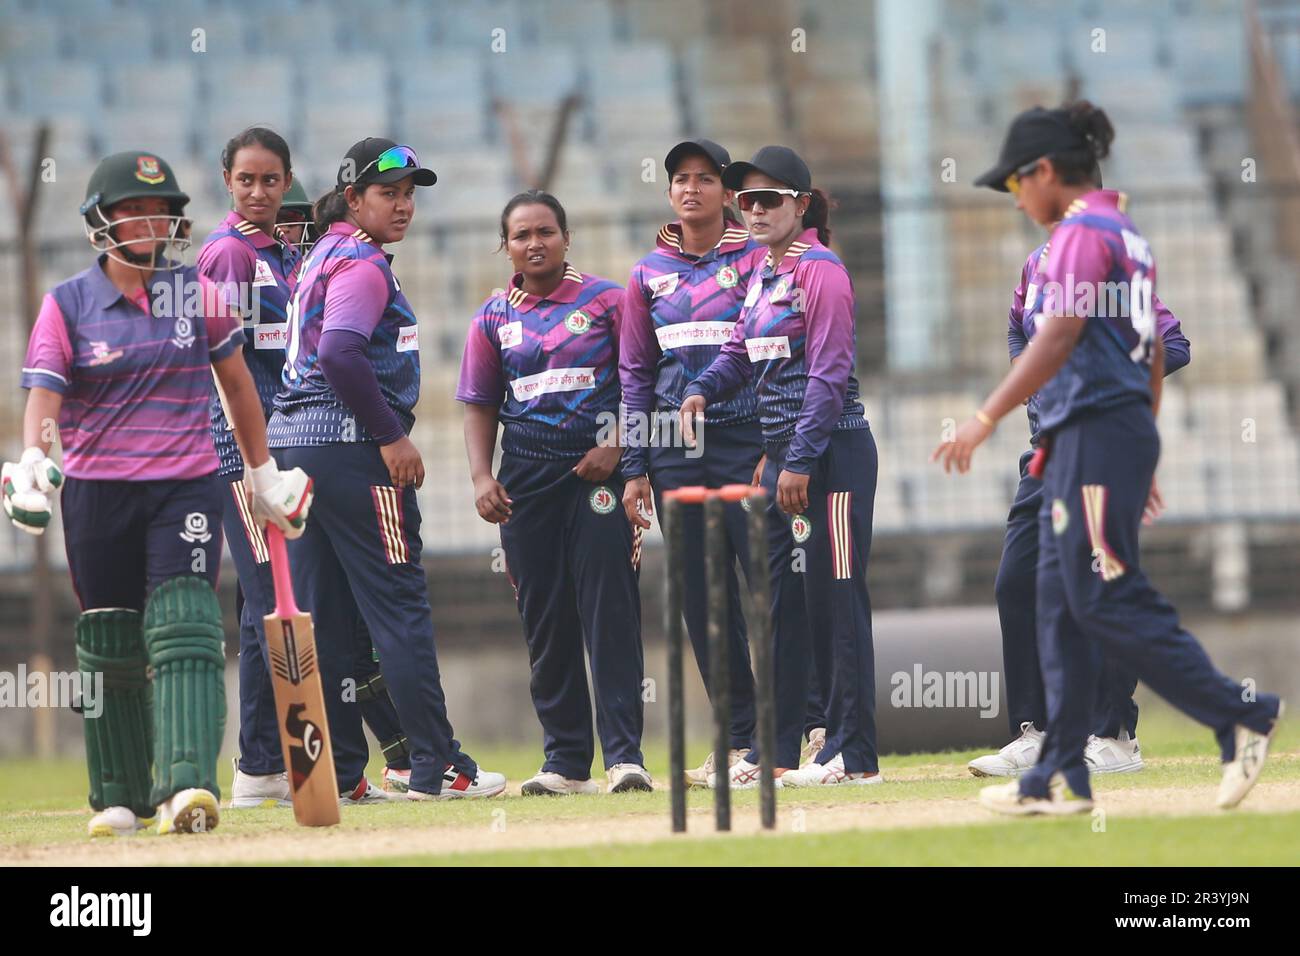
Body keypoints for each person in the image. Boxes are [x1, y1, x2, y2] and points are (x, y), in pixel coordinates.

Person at [936, 102, 1285, 815]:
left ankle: (1237, 714)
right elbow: (1151, 350)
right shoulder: (1122, 233)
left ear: (1044, 172)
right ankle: (1055, 776)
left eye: (1014, 184)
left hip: (1094, 435)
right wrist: (1141, 440)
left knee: (1105, 598)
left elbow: (1059, 335)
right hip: (1092, 438)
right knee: (1058, 604)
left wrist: (984, 417)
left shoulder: (1079, 237)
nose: (1016, 199)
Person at [3, 150, 313, 836]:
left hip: (184, 486)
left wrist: (261, 475)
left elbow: (238, 388)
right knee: (110, 637)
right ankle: (119, 793)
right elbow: (45, 397)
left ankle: (187, 787)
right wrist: (31, 456)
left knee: (184, 626)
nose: (150, 221)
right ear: (100, 222)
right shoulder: (68, 304)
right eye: (133, 210)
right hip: (96, 491)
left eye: (160, 209)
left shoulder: (196, 294)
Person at [268, 137, 505, 801]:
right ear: (353, 199)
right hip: (350, 453)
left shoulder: (319, 255)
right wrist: (391, 435)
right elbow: (343, 352)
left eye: (408, 194)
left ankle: (339, 775)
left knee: (325, 619)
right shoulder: (365, 264)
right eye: (387, 194)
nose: (403, 206)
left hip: (296, 456)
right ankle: (435, 768)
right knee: (399, 608)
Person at [201, 129, 413, 807]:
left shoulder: (291, 254)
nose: (262, 194)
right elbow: (217, 363)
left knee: (271, 605)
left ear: (290, 180)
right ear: (227, 182)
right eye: (248, 181)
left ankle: (262, 764)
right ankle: (298, 770)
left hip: (285, 447)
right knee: (278, 604)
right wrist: (254, 456)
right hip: (244, 453)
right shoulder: (228, 254)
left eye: (273, 183)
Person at [970, 176, 1192, 778]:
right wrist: (1034, 372)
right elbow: (1020, 327)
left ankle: (1114, 734)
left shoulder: (1111, 261)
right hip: (1046, 455)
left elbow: (1172, 342)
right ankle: (1037, 731)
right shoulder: (1036, 265)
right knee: (1016, 584)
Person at [681, 146, 880, 788]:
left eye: (770, 198)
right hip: (783, 464)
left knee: (837, 598)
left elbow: (828, 375)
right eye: (748, 200)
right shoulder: (764, 275)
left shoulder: (821, 270)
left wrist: (798, 461)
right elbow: (741, 350)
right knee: (783, 605)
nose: (757, 209)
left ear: (800, 202)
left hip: (833, 458)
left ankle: (854, 755)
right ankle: (780, 751)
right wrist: (702, 388)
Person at [458, 189, 651, 795]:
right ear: (506, 246)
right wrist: (483, 477)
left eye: (545, 231)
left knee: (608, 612)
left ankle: (624, 758)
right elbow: (479, 403)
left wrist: (618, 446)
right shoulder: (492, 318)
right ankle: (566, 762)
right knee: (546, 621)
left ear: (567, 239)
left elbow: (643, 382)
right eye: (521, 235)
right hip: (527, 481)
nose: (534, 243)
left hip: (596, 477)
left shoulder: (609, 301)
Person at [618, 139, 768, 788]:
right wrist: (634, 465)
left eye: (706, 179)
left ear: (726, 193)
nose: (692, 189)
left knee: (771, 588)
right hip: (677, 454)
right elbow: (634, 373)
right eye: (681, 178)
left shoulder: (759, 258)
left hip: (747, 438)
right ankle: (738, 739)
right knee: (705, 598)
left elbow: (774, 350)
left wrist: (776, 445)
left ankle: (803, 729)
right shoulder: (648, 273)